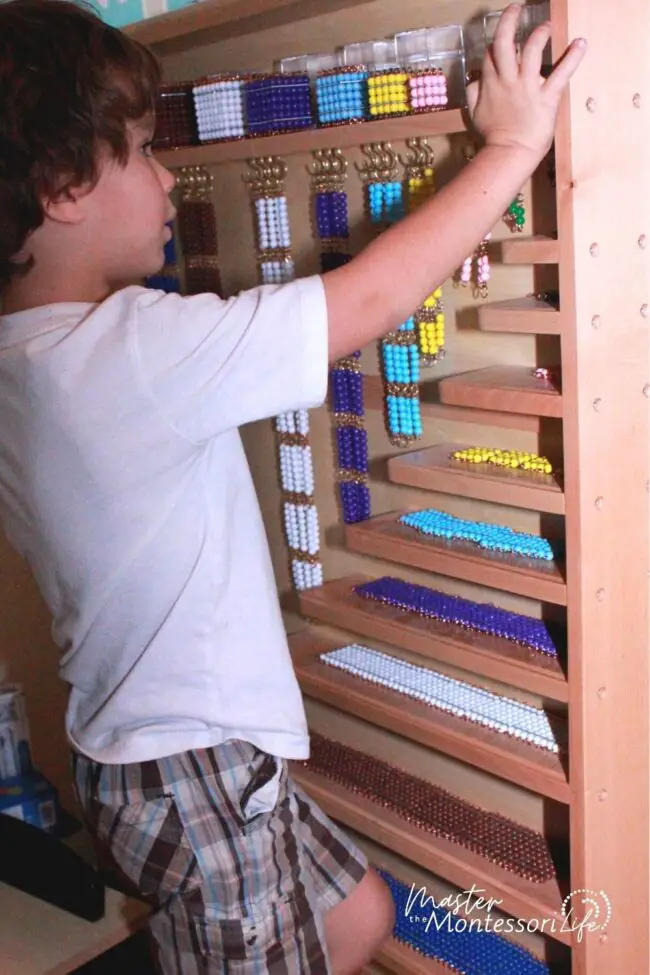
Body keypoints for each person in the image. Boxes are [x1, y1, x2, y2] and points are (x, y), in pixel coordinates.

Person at [0, 1, 585, 972]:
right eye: (145, 151)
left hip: (139, 759)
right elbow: (368, 300)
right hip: (198, 771)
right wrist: (510, 144)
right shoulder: (127, 352)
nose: (169, 175)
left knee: (351, 916)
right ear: (62, 186)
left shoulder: (25, 361)